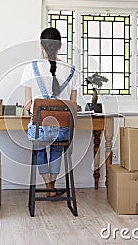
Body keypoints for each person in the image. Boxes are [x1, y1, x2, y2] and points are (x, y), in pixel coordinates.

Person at [20, 27, 80, 197]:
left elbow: (27, 105)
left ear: (41, 46)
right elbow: (73, 105)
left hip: (40, 129)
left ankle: (49, 185)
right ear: (60, 46)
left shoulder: (31, 68)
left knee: (39, 147)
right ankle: (51, 186)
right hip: (63, 131)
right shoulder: (72, 71)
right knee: (56, 148)